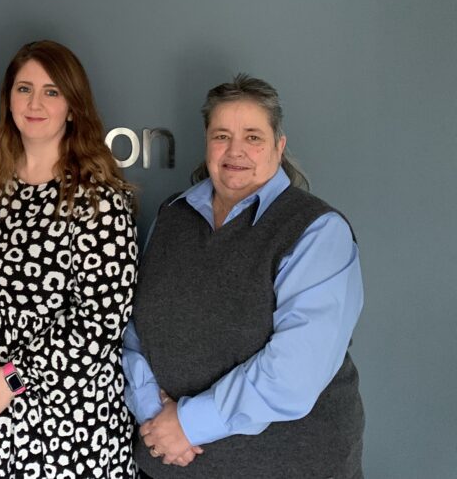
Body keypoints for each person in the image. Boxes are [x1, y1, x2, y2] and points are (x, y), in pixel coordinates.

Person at [123, 74, 364, 479]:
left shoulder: (317, 230)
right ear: (206, 143)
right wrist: (153, 412)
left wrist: (187, 424)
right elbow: (132, 331)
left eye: (253, 136)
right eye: (222, 135)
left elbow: (293, 373)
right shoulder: (172, 215)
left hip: (288, 467)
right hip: (166, 461)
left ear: (278, 145)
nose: (236, 150)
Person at [0, 40, 140, 478]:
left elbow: (98, 324)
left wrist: (8, 378)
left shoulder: (99, 199)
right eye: (24, 88)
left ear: (72, 106)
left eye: (51, 91)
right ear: (8, 98)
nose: (35, 103)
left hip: (64, 426)